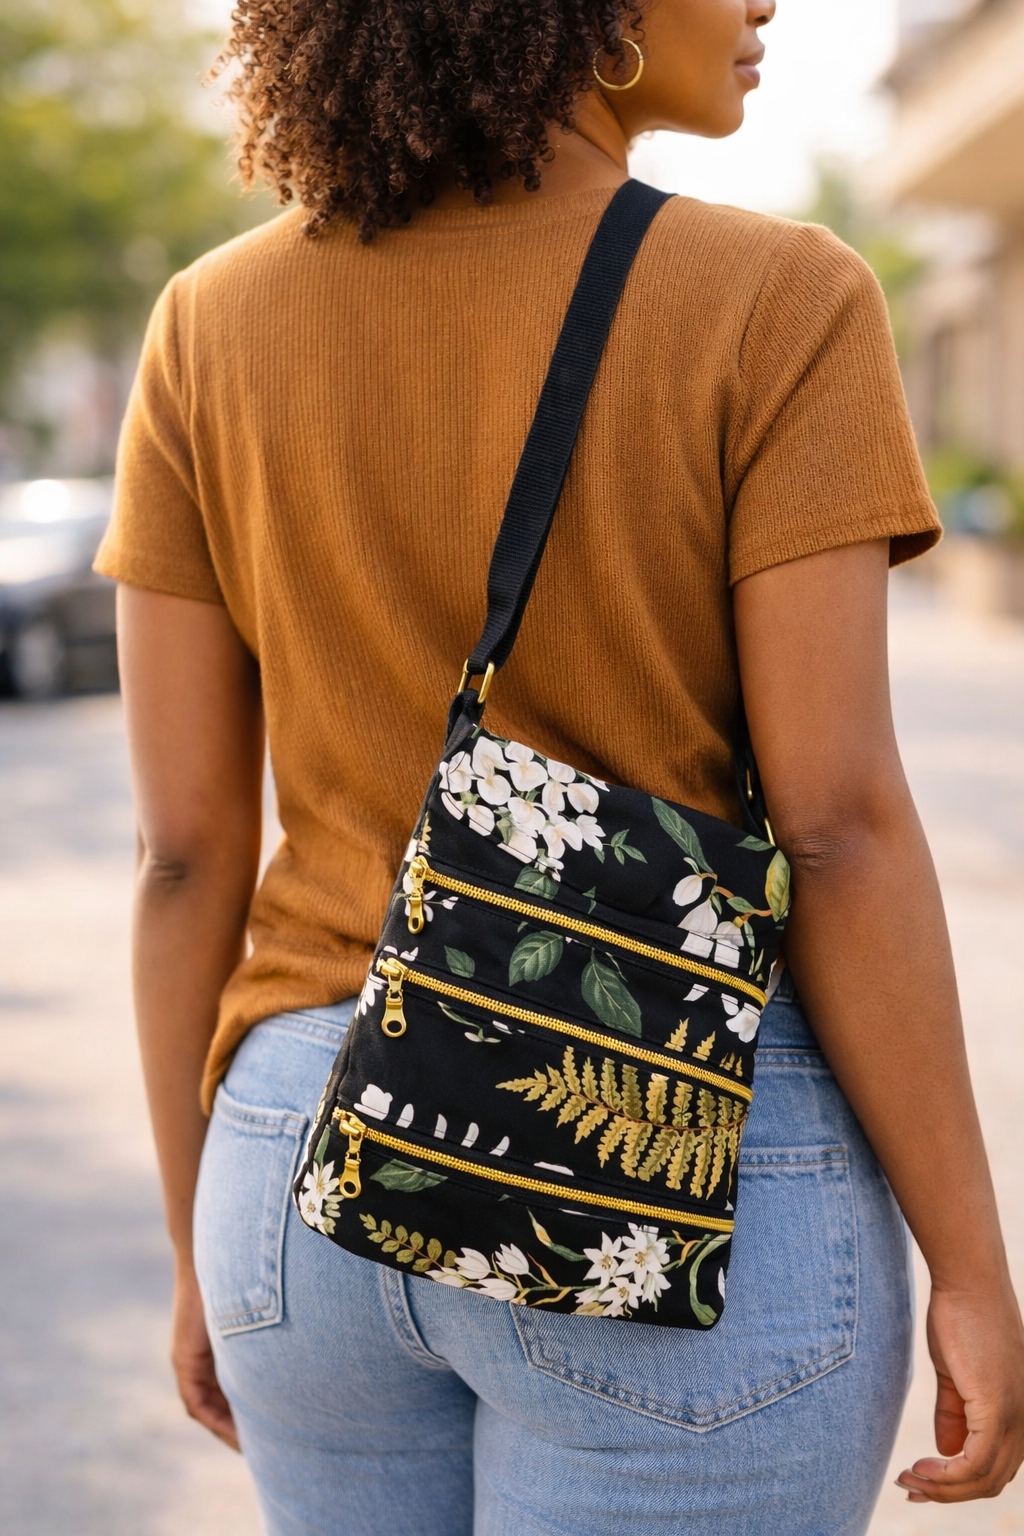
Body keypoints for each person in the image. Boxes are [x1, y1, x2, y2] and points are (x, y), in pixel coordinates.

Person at [97, 0, 1024, 1530]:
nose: (766, 5)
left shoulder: (207, 324)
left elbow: (183, 853)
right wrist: (974, 1266)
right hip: (655, 1148)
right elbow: (839, 826)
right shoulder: (777, 300)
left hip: (298, 1170)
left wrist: (204, 1245)